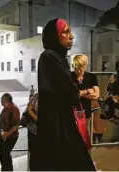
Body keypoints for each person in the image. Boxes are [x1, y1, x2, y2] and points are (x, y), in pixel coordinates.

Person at [36, 18, 95, 170]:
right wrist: (79, 92)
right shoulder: (49, 56)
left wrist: (76, 91)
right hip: (57, 127)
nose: (71, 36)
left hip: (61, 123)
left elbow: (71, 90)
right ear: (55, 36)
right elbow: (69, 91)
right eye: (65, 32)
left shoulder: (58, 57)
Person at [71, 54, 100, 135]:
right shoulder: (69, 76)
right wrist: (89, 91)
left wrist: (83, 92)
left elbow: (96, 95)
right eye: (77, 68)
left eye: (82, 68)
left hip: (85, 110)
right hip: (71, 111)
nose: (80, 71)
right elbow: (70, 94)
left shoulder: (91, 77)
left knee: (83, 133)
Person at [0, 93, 20, 171]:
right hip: (4, 137)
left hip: (9, 137)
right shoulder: (6, 108)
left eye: (1, 99)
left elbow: (16, 125)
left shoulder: (14, 108)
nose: (0, 101)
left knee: (5, 157)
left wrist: (7, 134)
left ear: (5, 99)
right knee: (3, 156)